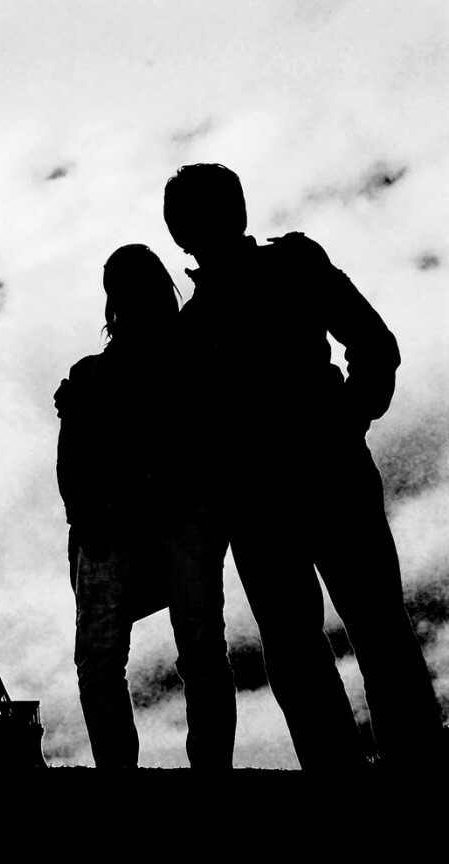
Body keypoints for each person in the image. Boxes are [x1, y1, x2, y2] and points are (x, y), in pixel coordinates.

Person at [164, 162, 445, 768]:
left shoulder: (285, 265)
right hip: (274, 492)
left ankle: (401, 759)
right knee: (316, 644)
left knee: (358, 633)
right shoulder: (200, 320)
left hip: (312, 477)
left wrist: (350, 415)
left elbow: (372, 342)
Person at [57, 244, 235, 768]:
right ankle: (209, 769)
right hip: (158, 516)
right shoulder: (190, 354)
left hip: (129, 519)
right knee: (198, 648)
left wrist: (84, 516)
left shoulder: (95, 375)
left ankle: (121, 769)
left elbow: (73, 456)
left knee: (104, 657)